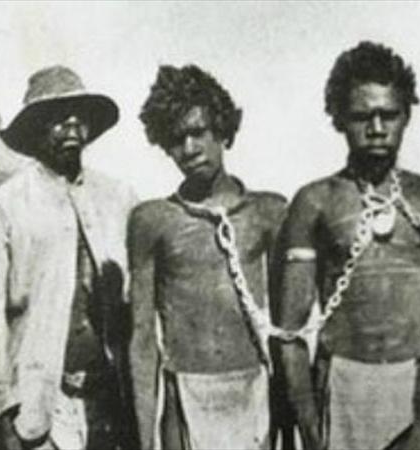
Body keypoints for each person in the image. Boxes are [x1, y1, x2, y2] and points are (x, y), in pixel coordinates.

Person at [273, 41, 420, 450]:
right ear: (339, 119)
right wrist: (312, 437)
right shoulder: (315, 201)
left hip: (410, 384)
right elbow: (290, 334)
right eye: (362, 117)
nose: (377, 128)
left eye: (389, 115)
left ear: (407, 116)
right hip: (340, 384)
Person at [0, 66, 139, 450]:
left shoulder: (120, 199)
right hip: (39, 405)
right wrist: (0, 415)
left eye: (80, 115)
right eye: (58, 117)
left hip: (111, 403)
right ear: (34, 128)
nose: (72, 124)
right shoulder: (1, 207)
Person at [129, 64, 287, 450]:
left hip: (253, 392)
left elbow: (287, 331)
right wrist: (144, 442)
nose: (189, 149)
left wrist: (289, 421)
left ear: (223, 130)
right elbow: (142, 338)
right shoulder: (152, 220)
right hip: (185, 396)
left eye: (198, 132)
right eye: (176, 139)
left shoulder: (267, 212)